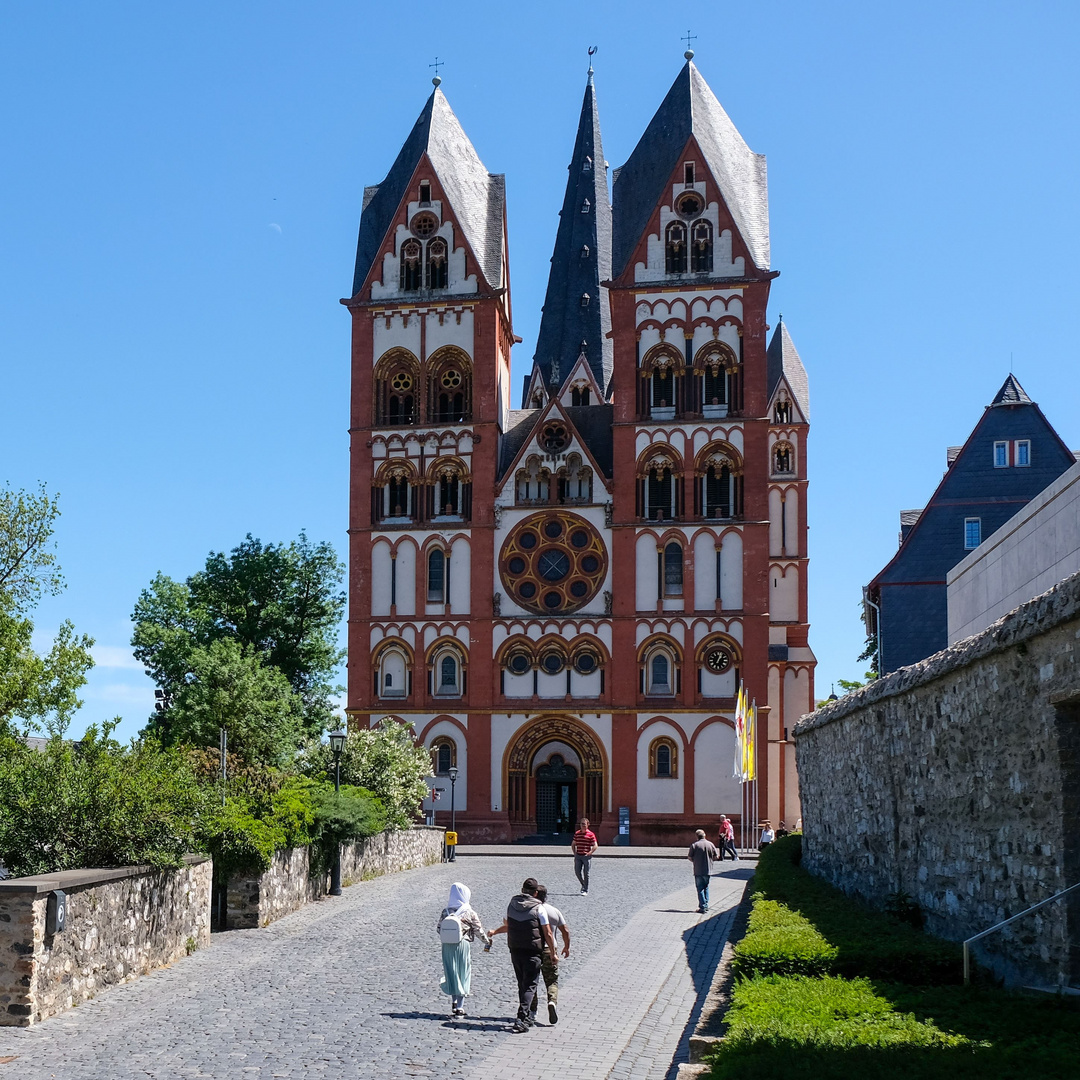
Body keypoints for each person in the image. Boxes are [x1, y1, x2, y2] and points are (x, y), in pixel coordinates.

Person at [500, 877, 557, 1032]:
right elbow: (548, 933)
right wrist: (553, 953)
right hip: (533, 951)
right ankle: (522, 1017)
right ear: (536, 892)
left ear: (522, 890)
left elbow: (507, 924)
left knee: (522, 983)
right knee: (530, 985)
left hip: (515, 949)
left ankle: (527, 1015)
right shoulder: (539, 908)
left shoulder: (511, 904)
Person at [435, 882, 489, 1017]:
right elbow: (478, 930)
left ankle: (453, 1002)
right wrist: (486, 942)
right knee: (463, 973)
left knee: (451, 972)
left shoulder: (445, 911)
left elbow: (438, 929)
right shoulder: (469, 912)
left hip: (447, 945)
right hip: (462, 945)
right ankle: (460, 1006)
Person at [532, 884, 569, 1025]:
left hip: (534, 950)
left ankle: (532, 1011)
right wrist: (566, 947)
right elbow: (565, 931)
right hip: (549, 950)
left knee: (532, 981)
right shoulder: (554, 911)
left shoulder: (532, 910)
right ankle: (552, 1001)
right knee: (552, 980)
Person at [688, 828, 720, 913]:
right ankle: (705, 905)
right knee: (706, 887)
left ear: (696, 836)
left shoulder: (694, 845)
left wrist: (695, 861)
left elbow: (690, 857)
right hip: (708, 870)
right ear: (705, 835)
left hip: (698, 870)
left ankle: (703, 906)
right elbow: (716, 856)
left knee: (700, 888)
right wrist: (710, 860)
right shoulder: (710, 844)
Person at [572, 817, 598, 894]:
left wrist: (591, 852)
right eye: (581, 824)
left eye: (584, 824)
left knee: (586, 873)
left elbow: (595, 845)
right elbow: (573, 844)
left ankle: (585, 889)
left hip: (586, 856)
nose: (583, 826)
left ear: (588, 825)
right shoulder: (577, 834)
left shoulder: (591, 834)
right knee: (577, 872)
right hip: (578, 856)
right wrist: (574, 853)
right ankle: (583, 884)